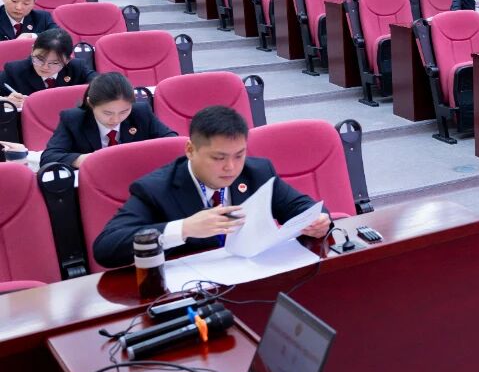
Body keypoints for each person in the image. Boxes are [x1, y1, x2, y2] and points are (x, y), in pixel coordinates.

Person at [92, 106, 331, 270]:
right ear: (190, 150)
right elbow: (106, 247)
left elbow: (305, 208)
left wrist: (319, 221)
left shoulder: (258, 172)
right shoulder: (156, 188)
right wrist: (184, 228)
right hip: (192, 293)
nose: (231, 167)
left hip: (252, 277)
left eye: (239, 155)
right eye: (218, 158)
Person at [41, 72, 176, 168]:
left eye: (124, 111)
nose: (116, 119)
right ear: (90, 103)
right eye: (107, 113)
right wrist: (83, 159)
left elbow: (172, 141)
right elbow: (49, 157)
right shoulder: (73, 120)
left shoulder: (141, 113)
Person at [0, 28, 94, 108]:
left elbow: (99, 85)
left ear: (67, 60)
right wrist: (6, 100)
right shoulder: (15, 70)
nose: (45, 67)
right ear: (32, 50)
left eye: (54, 62)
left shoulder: (77, 67)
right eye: (39, 59)